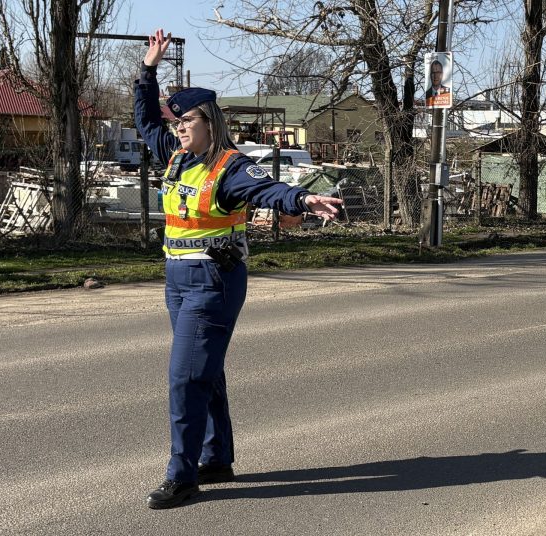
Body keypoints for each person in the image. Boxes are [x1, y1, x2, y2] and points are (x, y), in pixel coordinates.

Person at [135, 28, 341, 509]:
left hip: (213, 280)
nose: (178, 128)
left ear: (208, 121)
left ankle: (182, 476)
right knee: (204, 372)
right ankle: (217, 457)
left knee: (186, 376)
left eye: (185, 120)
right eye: (176, 121)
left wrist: (303, 199)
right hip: (177, 280)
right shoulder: (176, 157)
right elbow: (145, 120)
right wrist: (148, 71)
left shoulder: (230, 165)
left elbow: (266, 189)